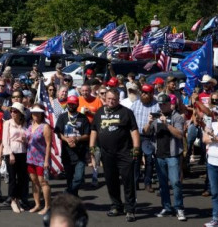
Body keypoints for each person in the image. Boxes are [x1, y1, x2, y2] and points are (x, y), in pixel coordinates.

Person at [89, 88, 140, 222]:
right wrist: (92, 147)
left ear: (118, 100)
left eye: (114, 99)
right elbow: (94, 130)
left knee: (128, 182)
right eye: (109, 99)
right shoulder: (100, 112)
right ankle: (116, 206)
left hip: (124, 153)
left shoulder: (126, 112)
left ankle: (130, 209)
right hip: (107, 154)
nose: (111, 101)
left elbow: (134, 131)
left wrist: (136, 148)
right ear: (105, 98)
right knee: (111, 181)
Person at [148, 93, 186, 221]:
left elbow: (180, 135)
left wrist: (167, 124)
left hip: (173, 155)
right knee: (162, 184)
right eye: (160, 104)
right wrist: (149, 123)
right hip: (159, 155)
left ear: (170, 104)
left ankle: (179, 208)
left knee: (175, 182)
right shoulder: (156, 116)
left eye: (164, 104)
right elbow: (146, 132)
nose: (162, 106)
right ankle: (167, 207)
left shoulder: (177, 117)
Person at [54, 95, 90, 199]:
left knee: (78, 178)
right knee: (69, 178)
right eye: (69, 103)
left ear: (77, 104)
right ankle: (73, 196)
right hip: (67, 152)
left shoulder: (83, 118)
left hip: (80, 153)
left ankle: (68, 192)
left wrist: (77, 139)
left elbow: (87, 135)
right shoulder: (63, 117)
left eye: (73, 104)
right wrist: (67, 140)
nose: (71, 105)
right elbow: (58, 132)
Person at [2, 101, 29, 213]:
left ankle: (18, 199)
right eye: (11, 111)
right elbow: (5, 140)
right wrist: (10, 154)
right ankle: (12, 200)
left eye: (15, 111)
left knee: (21, 179)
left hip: (22, 152)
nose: (12, 113)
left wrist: (25, 140)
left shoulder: (24, 124)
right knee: (12, 178)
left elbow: (28, 138)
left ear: (20, 113)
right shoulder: (7, 123)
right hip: (12, 153)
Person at [133, 83, 159, 192]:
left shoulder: (156, 106)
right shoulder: (136, 104)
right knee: (136, 160)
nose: (143, 95)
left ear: (152, 94)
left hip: (150, 137)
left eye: (146, 93)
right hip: (137, 136)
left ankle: (147, 183)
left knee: (149, 160)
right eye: (142, 92)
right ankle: (135, 183)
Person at [27, 103, 53, 215]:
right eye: (34, 112)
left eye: (38, 112)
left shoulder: (45, 126)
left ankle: (47, 206)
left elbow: (48, 144)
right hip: (30, 158)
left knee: (43, 182)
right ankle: (37, 204)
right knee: (34, 181)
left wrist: (47, 160)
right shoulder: (30, 124)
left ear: (42, 114)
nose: (35, 114)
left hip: (41, 158)